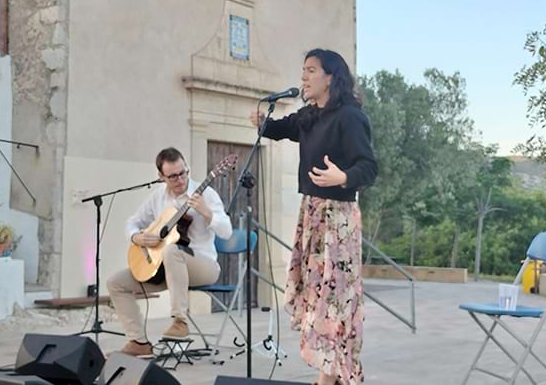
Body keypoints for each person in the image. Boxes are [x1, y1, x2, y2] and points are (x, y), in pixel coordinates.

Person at [250, 49, 378, 385]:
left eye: (311, 70)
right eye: (303, 70)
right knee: (316, 295)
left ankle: (331, 373)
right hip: (312, 214)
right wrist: (262, 122)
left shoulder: (350, 117)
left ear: (331, 77)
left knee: (334, 298)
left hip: (337, 217)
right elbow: (279, 129)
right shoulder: (309, 116)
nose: (304, 77)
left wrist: (344, 177)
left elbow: (369, 166)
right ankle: (330, 371)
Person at [107, 147, 232, 357]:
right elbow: (133, 222)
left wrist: (206, 212)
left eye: (183, 173)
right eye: (173, 176)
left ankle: (180, 321)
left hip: (203, 266)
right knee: (116, 282)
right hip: (167, 269)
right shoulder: (157, 197)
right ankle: (138, 342)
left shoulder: (206, 194)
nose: (180, 180)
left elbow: (227, 231)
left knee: (173, 250)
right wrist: (136, 237)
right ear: (161, 176)